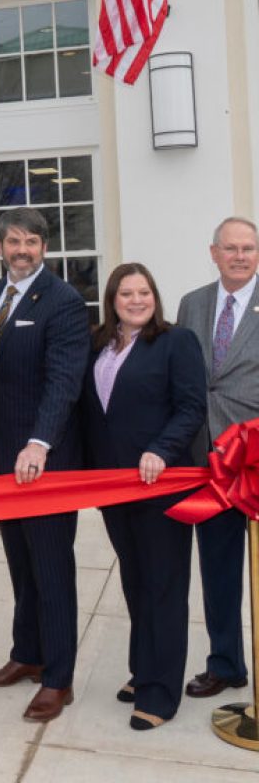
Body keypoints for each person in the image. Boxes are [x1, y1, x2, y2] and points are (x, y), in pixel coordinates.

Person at [0, 207, 89, 723]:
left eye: (32, 241)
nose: (22, 250)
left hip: (45, 462)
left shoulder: (63, 301)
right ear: (1, 246)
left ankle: (58, 678)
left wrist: (39, 443)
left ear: (45, 246)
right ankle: (28, 653)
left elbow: (64, 381)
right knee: (20, 563)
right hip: (3, 459)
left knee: (50, 567)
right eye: (14, 241)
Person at [83, 263, 206, 729]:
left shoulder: (176, 342)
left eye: (145, 292)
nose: (137, 300)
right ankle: (143, 669)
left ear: (155, 296)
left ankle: (161, 690)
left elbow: (192, 405)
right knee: (135, 581)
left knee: (164, 585)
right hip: (115, 487)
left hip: (162, 484)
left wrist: (162, 448)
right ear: (112, 299)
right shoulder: (101, 345)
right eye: (127, 293)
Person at [177, 216, 259, 699]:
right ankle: (226, 663)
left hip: (255, 456)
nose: (240, 256)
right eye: (231, 248)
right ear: (214, 253)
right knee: (219, 568)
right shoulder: (193, 303)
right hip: (206, 459)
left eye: (248, 248)